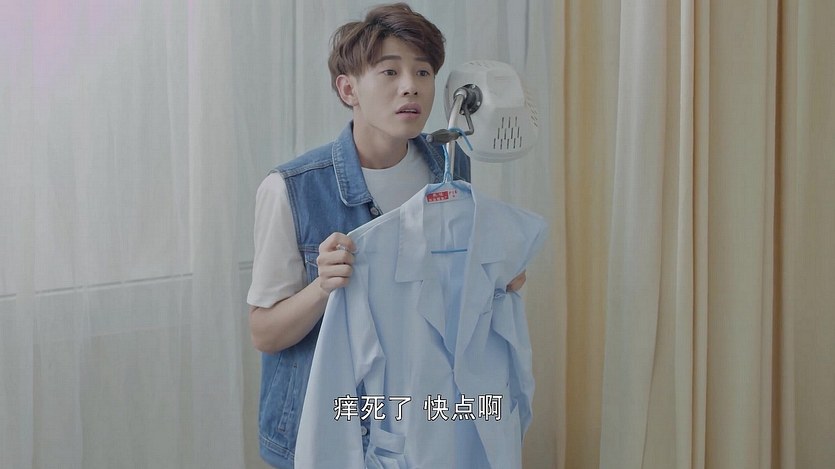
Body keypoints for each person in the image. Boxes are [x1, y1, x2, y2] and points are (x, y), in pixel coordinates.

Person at [246, 3, 525, 468]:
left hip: (423, 429)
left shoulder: (451, 169)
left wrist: (497, 277)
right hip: (329, 432)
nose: (410, 86)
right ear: (348, 89)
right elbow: (264, 333)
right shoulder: (291, 188)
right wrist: (323, 287)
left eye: (423, 71)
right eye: (390, 71)